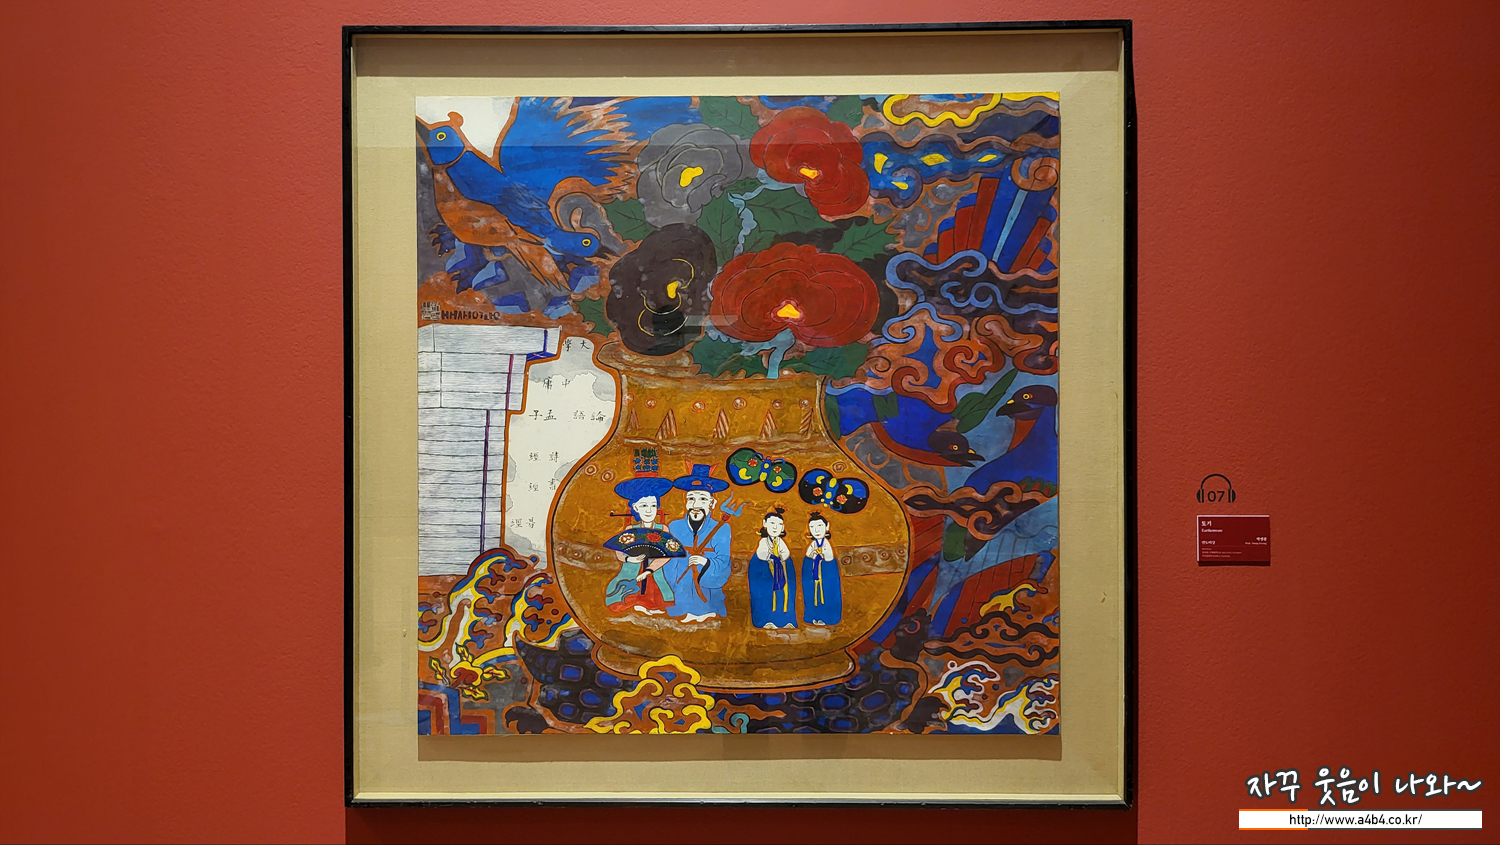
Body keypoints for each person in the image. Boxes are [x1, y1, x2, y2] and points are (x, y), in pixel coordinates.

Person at [663, 465, 733, 623]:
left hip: (708, 593)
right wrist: (672, 584)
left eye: (703, 499)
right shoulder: (674, 527)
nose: (696, 505)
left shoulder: (721, 528)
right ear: (685, 502)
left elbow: (724, 561)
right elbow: (668, 561)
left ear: (712, 503)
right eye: (691, 499)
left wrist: (704, 561)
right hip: (679, 591)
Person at [603, 469, 677, 615]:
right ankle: (637, 604)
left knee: (659, 595)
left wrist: (649, 570)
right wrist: (629, 559)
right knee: (623, 596)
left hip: (654, 572)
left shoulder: (662, 529)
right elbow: (619, 551)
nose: (649, 510)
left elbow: (667, 554)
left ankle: (650, 605)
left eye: (653, 505)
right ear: (635, 508)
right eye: (644, 506)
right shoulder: (631, 529)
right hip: (632, 570)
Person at [748, 506, 797, 629]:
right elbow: (761, 554)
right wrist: (772, 557)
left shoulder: (781, 542)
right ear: (765, 524)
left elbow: (785, 553)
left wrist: (779, 558)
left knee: (785, 593)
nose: (775, 527)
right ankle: (765, 620)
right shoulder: (763, 542)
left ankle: (785, 620)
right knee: (765, 594)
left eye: (779, 524)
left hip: (781, 569)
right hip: (764, 570)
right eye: (772, 523)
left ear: (783, 527)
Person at [801, 511, 842, 625]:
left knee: (827, 594)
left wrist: (819, 555)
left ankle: (828, 618)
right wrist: (814, 555)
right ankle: (813, 616)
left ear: (827, 526)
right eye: (812, 527)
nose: (816, 530)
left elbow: (829, 559)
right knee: (812, 595)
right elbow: (808, 558)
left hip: (826, 576)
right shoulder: (813, 544)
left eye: (819, 526)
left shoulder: (826, 544)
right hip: (813, 576)